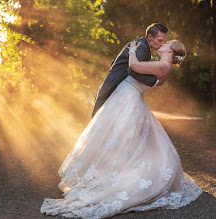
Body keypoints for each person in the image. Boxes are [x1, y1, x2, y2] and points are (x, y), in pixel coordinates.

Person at [40, 39, 203, 218]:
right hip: (128, 96)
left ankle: (115, 174)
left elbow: (134, 67)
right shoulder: (162, 64)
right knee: (121, 138)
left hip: (130, 98)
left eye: (166, 43)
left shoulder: (163, 65)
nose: (162, 44)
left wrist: (132, 50)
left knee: (122, 137)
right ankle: (107, 169)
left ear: (170, 49)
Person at [92, 23, 168, 118]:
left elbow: (114, 62)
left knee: (103, 119)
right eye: (160, 40)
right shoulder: (142, 47)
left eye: (163, 41)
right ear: (150, 37)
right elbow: (133, 70)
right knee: (100, 119)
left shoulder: (139, 44)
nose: (162, 44)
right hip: (113, 85)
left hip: (114, 83)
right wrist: (155, 81)